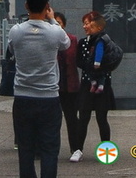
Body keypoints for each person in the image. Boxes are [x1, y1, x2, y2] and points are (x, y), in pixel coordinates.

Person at [8, 0, 70, 178]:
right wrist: (51, 19)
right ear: (47, 6)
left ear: (26, 6)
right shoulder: (55, 32)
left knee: (25, 150)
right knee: (49, 150)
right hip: (48, 99)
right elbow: (66, 44)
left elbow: (11, 50)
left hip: (23, 98)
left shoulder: (16, 31)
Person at [75, 11, 117, 162]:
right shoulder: (83, 42)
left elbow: (112, 59)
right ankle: (78, 149)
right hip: (87, 84)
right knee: (83, 118)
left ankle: (106, 150)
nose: (85, 26)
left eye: (88, 23)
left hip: (103, 85)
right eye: (84, 23)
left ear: (97, 26)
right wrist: (91, 66)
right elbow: (78, 61)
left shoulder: (105, 41)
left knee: (102, 118)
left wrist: (100, 67)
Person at [54, 11, 81, 162]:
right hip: (53, 87)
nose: (57, 25)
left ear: (63, 24)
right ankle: (50, 150)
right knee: (53, 121)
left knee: (72, 119)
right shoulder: (49, 40)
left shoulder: (72, 40)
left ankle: (75, 149)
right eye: (54, 23)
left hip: (70, 86)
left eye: (59, 22)